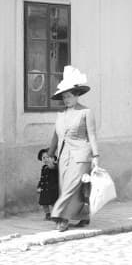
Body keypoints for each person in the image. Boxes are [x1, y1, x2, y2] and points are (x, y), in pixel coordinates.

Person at [46, 65, 99, 232]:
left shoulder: (86, 112)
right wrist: (49, 154)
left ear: (77, 96)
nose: (66, 100)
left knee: (71, 186)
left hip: (82, 155)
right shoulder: (61, 114)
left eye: (69, 96)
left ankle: (61, 217)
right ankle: (83, 216)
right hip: (64, 156)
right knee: (70, 188)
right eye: (64, 97)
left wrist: (96, 156)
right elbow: (55, 137)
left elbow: (92, 135)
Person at [36, 149, 58, 219]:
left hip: (52, 188)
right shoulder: (44, 168)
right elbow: (41, 178)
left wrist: (52, 163)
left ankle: (56, 214)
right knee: (44, 203)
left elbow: (53, 167)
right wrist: (39, 186)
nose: (45, 159)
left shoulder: (54, 167)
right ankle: (47, 214)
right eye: (43, 158)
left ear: (53, 158)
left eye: (47, 157)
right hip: (44, 188)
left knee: (53, 202)